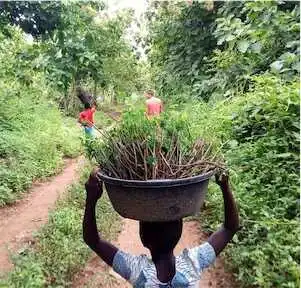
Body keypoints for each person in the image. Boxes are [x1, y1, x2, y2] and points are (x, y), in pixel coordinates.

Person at [83, 169, 239, 287]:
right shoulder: (193, 263)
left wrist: (91, 199)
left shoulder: (137, 271)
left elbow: (93, 240)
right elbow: (229, 228)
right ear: (179, 234)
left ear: (143, 239)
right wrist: (225, 187)